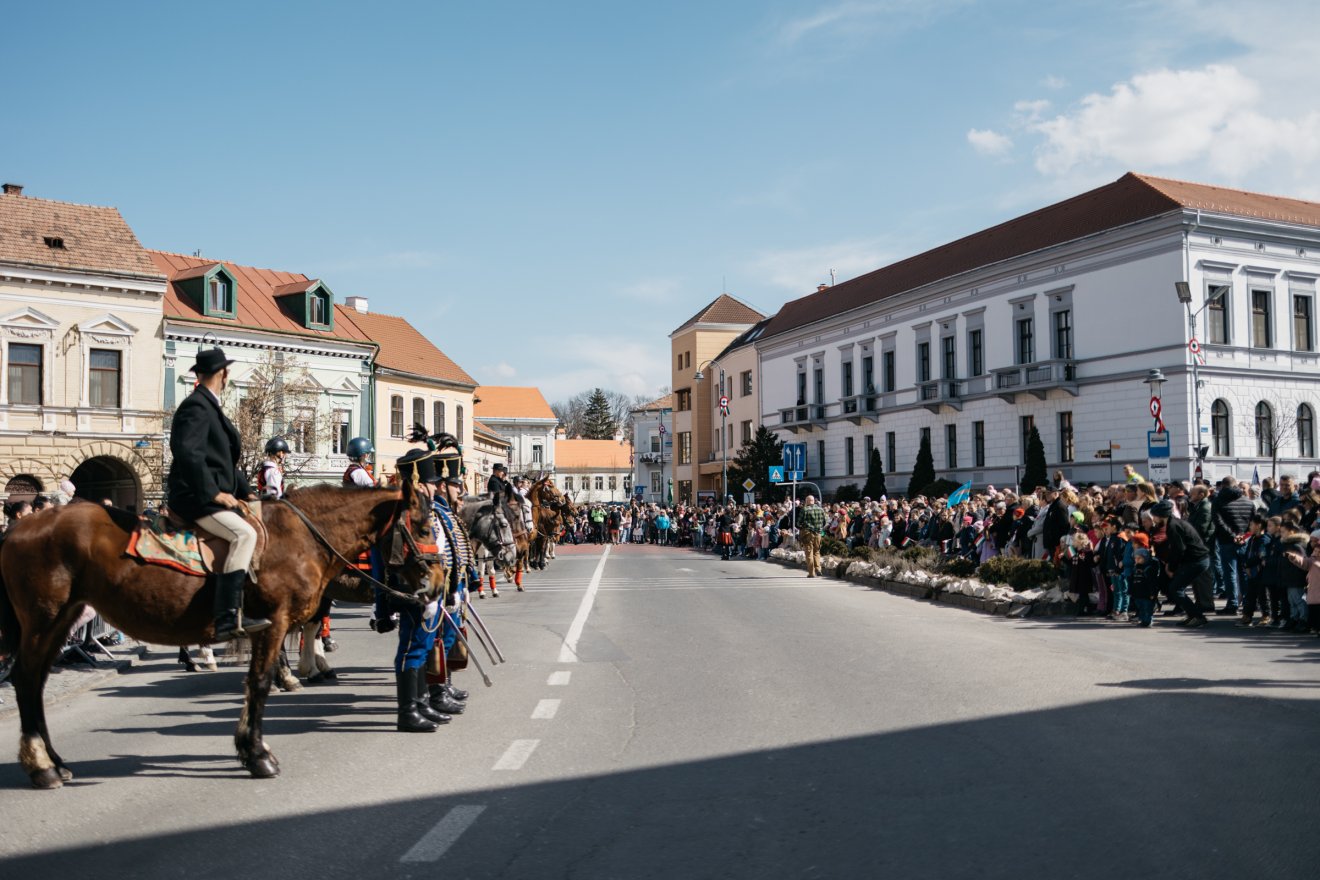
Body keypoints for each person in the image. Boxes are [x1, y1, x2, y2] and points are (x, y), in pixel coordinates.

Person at [167, 347, 269, 642]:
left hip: (208, 492)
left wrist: (248, 492)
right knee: (244, 535)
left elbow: (222, 461)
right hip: (193, 497)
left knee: (257, 522)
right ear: (223, 374)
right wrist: (214, 494)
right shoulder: (196, 406)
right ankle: (226, 616)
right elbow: (188, 455)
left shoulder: (208, 405)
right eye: (227, 372)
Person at [1149, 500, 1213, 627]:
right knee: (1176, 588)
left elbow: (1179, 549)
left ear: (1162, 515)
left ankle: (1198, 616)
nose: (1153, 519)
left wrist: (1171, 567)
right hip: (1197, 560)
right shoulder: (1175, 523)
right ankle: (1192, 615)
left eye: (1154, 516)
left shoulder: (1173, 526)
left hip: (1197, 561)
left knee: (1176, 589)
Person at [799, 495, 826, 577]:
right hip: (818, 533)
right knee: (817, 551)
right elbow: (824, 522)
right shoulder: (821, 509)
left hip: (808, 533)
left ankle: (811, 573)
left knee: (809, 552)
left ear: (807, 501)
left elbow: (798, 522)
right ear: (813, 501)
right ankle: (818, 568)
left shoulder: (804, 509)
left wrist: (802, 527)